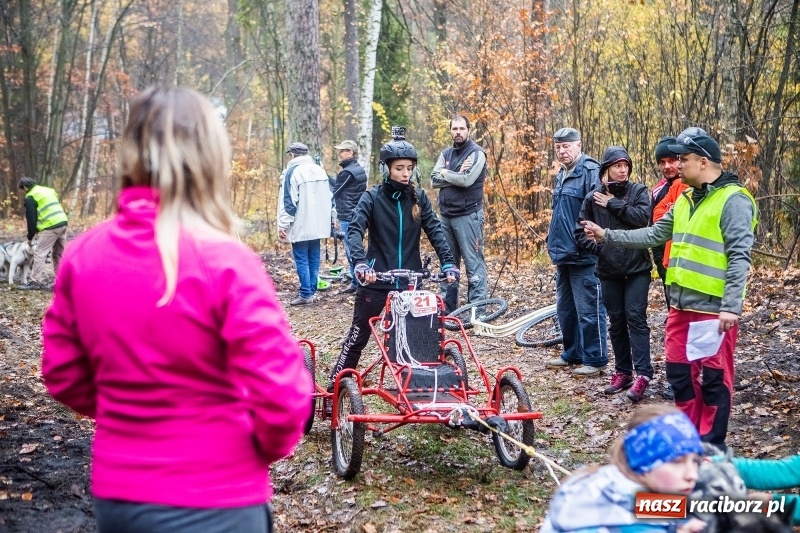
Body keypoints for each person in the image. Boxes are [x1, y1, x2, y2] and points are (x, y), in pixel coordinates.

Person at [40, 87, 310, 533]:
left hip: (121, 499)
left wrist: (130, 413)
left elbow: (63, 373)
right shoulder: (226, 262)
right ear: (209, 158)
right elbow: (282, 395)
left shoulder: (82, 256)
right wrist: (253, 451)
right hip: (220, 499)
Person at [581, 128, 757, 448]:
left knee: (713, 382)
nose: (677, 165)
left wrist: (731, 306)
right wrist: (607, 236)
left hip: (713, 311)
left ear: (702, 162)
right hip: (680, 308)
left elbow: (739, 257)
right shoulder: (685, 199)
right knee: (679, 376)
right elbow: (652, 234)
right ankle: (689, 439)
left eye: (683, 159)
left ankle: (710, 446)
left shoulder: (734, 200)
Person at [327, 131, 458, 404]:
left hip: (410, 283)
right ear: (385, 169)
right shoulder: (372, 198)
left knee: (419, 339)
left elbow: (435, 231)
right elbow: (355, 230)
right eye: (399, 168)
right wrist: (360, 263)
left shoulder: (418, 198)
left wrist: (448, 262)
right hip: (376, 280)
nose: (405, 173)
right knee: (358, 337)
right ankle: (333, 388)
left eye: (409, 168)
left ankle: (419, 392)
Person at [540, 405, 706, 532]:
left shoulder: (606, 485)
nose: (692, 475)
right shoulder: (634, 526)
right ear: (644, 462)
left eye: (695, 461)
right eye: (676, 461)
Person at [576, 146, 653, 401]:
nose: (622, 170)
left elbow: (642, 219)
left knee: (636, 318)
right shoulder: (592, 198)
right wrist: (599, 248)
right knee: (617, 321)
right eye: (617, 166)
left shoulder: (638, 191)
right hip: (608, 270)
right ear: (606, 169)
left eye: (625, 166)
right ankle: (623, 372)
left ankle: (643, 374)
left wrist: (613, 203)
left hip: (637, 269)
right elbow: (580, 233)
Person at [545, 127, 608, 377]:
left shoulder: (591, 171)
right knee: (566, 310)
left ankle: (595, 358)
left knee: (589, 310)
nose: (562, 151)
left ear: (579, 145)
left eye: (567, 146)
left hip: (584, 255)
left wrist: (590, 244)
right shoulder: (562, 173)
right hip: (563, 254)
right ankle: (573, 353)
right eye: (558, 147)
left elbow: (598, 213)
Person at [430, 114, 488, 313]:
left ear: (468, 130)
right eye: (454, 129)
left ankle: (477, 312)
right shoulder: (446, 153)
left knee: (473, 265)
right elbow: (433, 180)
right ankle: (447, 311)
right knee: (448, 264)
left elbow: (467, 180)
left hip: (468, 216)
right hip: (446, 216)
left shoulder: (476, 153)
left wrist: (446, 173)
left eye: (462, 128)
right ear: (450, 131)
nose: (458, 132)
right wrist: (456, 173)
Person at [277, 141, 334, 305]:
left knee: (301, 258)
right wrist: (330, 219)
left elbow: (289, 202)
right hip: (319, 223)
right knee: (314, 257)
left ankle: (305, 293)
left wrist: (283, 224)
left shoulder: (293, 172)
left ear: (292, 154)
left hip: (300, 223)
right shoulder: (319, 170)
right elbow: (330, 197)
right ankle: (311, 290)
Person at [17, 177, 68, 290]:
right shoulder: (47, 190)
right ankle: (62, 282)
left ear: (25, 187)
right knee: (58, 254)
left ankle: (35, 282)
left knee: (40, 253)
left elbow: (31, 219)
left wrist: (30, 237)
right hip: (63, 222)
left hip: (51, 225)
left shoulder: (31, 196)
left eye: (22, 190)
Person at [331, 139, 368, 294]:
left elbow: (335, 190)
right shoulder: (357, 169)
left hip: (348, 215)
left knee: (351, 250)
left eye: (342, 151)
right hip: (357, 214)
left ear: (351, 152)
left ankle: (358, 282)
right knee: (355, 247)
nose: (339, 154)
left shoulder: (347, 172)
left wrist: (324, 178)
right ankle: (356, 281)